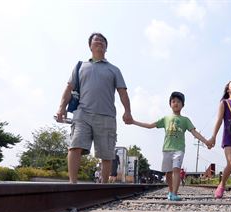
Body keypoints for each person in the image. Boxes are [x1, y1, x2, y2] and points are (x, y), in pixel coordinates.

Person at [56, 32, 133, 183]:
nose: (99, 42)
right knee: (75, 145)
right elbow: (69, 88)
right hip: (82, 114)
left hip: (106, 116)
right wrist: (61, 107)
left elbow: (122, 92)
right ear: (90, 46)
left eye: (102, 41)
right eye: (96, 40)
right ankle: (72, 183)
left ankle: (103, 186)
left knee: (106, 154)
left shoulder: (114, 69)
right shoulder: (80, 67)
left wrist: (127, 111)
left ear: (106, 47)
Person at [128, 91, 212, 201]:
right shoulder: (165, 119)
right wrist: (133, 122)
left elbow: (194, 133)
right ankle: (170, 191)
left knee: (176, 169)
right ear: (170, 104)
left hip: (179, 149)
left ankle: (174, 194)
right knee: (168, 173)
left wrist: (206, 142)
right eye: (173, 101)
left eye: (178, 101)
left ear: (183, 105)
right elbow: (150, 126)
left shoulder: (185, 120)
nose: (176, 103)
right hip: (167, 149)